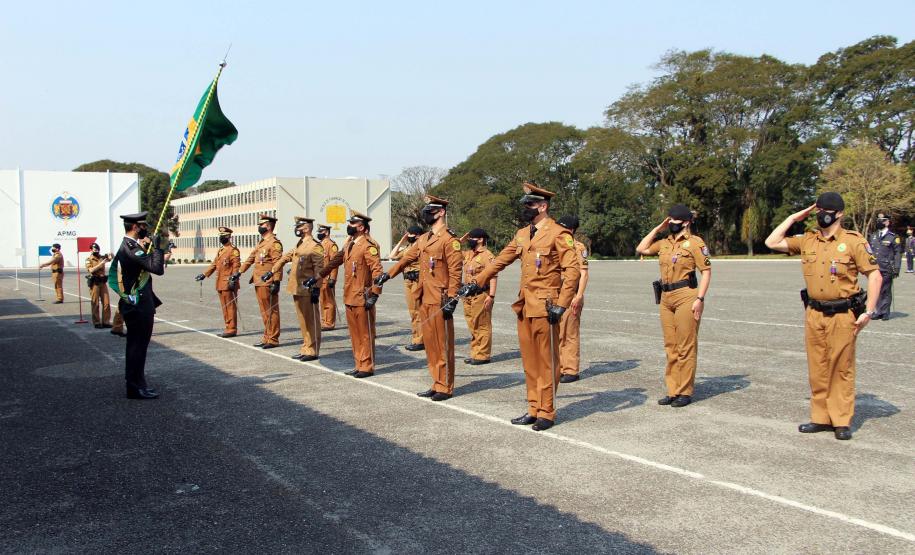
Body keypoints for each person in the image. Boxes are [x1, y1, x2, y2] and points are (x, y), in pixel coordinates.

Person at [458, 182, 580, 431]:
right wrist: (476, 283)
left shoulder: (559, 234)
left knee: (547, 361)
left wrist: (562, 304)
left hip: (547, 307)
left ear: (542, 207)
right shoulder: (523, 234)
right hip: (524, 305)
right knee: (530, 362)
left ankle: (547, 411)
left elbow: (573, 271)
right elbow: (500, 261)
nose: (525, 208)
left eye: (530, 204)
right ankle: (534, 408)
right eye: (525, 204)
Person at [765, 192, 882, 441]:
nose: (821, 214)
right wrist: (794, 217)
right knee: (817, 367)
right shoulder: (809, 240)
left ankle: (841, 420)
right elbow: (772, 242)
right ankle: (820, 417)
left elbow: (875, 275)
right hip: (814, 312)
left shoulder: (853, 241)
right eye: (818, 210)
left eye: (826, 210)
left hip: (842, 313)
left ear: (839, 214)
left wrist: (869, 311)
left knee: (841, 367)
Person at [376, 196, 463, 400]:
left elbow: (456, 272)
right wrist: (388, 275)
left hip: (440, 299)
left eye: (430, 210)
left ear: (441, 212)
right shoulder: (423, 238)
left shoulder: (450, 240)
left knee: (442, 344)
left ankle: (445, 386)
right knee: (431, 344)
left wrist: (453, 298)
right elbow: (406, 258)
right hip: (424, 296)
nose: (426, 213)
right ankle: (436, 382)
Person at [636, 205, 711, 408]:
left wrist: (700, 299)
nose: (670, 224)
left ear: (685, 223)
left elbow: (706, 271)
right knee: (671, 346)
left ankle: (684, 392)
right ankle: (673, 390)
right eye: (668, 220)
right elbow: (641, 248)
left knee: (685, 345)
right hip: (666, 297)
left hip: (686, 295)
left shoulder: (695, 243)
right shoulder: (665, 243)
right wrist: (657, 228)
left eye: (674, 221)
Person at [108, 212, 169, 399]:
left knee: (139, 347)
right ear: (135, 227)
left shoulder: (132, 246)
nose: (145, 229)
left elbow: (145, 265)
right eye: (143, 226)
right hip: (138, 305)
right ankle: (134, 387)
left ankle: (139, 384)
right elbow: (157, 268)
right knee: (137, 347)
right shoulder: (131, 248)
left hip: (140, 303)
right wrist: (157, 247)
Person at [318, 211, 384, 378]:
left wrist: (375, 294)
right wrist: (318, 276)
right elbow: (334, 261)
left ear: (361, 227)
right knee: (355, 334)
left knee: (365, 333)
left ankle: (367, 366)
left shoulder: (368, 246)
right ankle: (359, 363)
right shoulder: (349, 245)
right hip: (349, 296)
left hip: (363, 296)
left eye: (352, 224)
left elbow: (377, 270)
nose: (349, 226)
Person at [264, 217, 324, 362]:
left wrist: (316, 287)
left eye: (299, 226)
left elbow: (319, 269)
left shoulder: (315, 246)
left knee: (311, 321)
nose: (297, 229)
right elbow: (285, 258)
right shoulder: (300, 244)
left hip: (308, 289)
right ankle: (306, 347)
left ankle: (312, 350)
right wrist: (272, 271)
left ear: (307, 228)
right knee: (303, 321)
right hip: (297, 288)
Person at [234, 215, 283, 348]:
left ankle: (273, 339)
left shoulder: (274, 243)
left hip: (268, 281)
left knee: (271, 311)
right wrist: (239, 272)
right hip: (259, 281)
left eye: (261, 225)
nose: (259, 227)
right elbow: (250, 258)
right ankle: (267, 336)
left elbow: (278, 263)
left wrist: (276, 281)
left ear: (268, 226)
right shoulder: (262, 242)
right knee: (264, 311)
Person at [556, 216, 590, 383]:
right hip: (555, 295)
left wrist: (579, 295)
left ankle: (570, 370)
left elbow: (583, 273)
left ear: (570, 230)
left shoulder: (578, 247)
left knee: (569, 333)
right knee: (557, 333)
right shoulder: (554, 245)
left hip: (571, 295)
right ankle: (559, 367)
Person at [195, 226, 241, 338]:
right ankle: (228, 327)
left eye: (223, 236)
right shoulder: (221, 250)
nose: (221, 238)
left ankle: (232, 329)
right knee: (224, 307)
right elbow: (214, 265)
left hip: (229, 283)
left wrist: (234, 279)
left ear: (229, 236)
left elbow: (236, 266)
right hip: (220, 283)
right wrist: (204, 274)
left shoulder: (233, 250)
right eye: (220, 236)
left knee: (230, 307)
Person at [460, 228, 497, 365]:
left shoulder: (487, 255)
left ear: (480, 239)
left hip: (481, 294)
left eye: (471, 238)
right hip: (468, 296)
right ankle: (476, 353)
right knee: (472, 324)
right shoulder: (468, 254)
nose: (469, 240)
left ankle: (483, 355)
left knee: (482, 325)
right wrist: (461, 240)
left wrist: (491, 296)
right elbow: (452, 250)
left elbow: (493, 276)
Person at [388, 224, 425, 351]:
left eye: (410, 234)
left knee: (417, 311)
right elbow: (392, 256)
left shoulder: (421, 247)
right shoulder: (408, 247)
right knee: (413, 311)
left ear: (418, 236)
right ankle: (417, 338)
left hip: (417, 281)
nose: (408, 236)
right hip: (408, 280)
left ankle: (419, 340)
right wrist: (401, 240)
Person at [868, 213, 902, 320]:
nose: (879, 222)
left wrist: (897, 268)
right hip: (875, 267)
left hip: (887, 267)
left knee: (885, 289)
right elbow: (869, 252)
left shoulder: (893, 237)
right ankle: (878, 311)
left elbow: (897, 253)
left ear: (887, 222)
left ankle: (885, 312)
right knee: (876, 289)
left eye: (882, 220)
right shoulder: (873, 236)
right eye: (878, 220)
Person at [316, 224, 340, 331]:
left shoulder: (331, 245)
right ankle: (324, 321)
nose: (318, 234)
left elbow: (334, 263)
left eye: (320, 232)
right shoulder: (319, 245)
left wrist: (333, 278)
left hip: (327, 278)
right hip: (320, 278)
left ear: (326, 232)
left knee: (329, 301)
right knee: (322, 301)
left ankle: (329, 323)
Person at [85, 243, 113, 328]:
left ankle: (106, 322)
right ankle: (97, 322)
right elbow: (91, 270)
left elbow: (110, 258)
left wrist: (111, 254)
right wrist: (101, 264)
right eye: (94, 250)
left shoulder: (101, 257)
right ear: (90, 250)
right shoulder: (88, 259)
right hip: (95, 283)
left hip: (102, 282)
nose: (96, 251)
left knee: (106, 302)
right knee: (95, 303)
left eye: (97, 250)